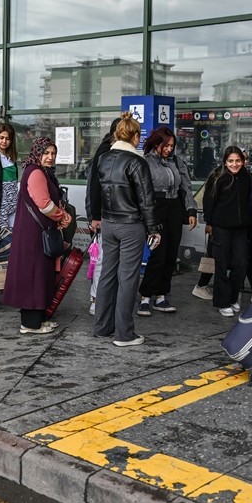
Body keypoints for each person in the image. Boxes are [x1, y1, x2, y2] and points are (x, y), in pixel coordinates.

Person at [91, 113, 160, 346]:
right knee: (128, 278)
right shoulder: (136, 162)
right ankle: (124, 333)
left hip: (108, 223)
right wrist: (154, 229)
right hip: (131, 225)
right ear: (135, 136)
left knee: (107, 275)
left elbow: (98, 191)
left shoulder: (104, 159)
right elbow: (146, 199)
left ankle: (102, 327)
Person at [3, 137, 73, 334]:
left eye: (53, 153)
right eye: (46, 153)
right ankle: (30, 324)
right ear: (37, 153)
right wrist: (62, 216)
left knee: (40, 274)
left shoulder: (40, 171)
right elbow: (44, 203)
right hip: (34, 235)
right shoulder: (35, 172)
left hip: (36, 232)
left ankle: (39, 320)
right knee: (33, 275)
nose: (50, 157)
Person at [137, 127, 196, 315]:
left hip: (175, 209)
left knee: (171, 255)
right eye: (166, 145)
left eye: (172, 145)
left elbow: (186, 187)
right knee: (158, 254)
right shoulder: (146, 162)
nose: (169, 149)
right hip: (156, 209)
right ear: (156, 143)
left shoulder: (177, 162)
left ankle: (161, 296)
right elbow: (141, 191)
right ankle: (146, 296)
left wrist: (191, 210)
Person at [202, 146, 252, 317]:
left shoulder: (247, 177)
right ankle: (222, 301)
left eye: (238, 161)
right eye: (231, 161)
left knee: (241, 264)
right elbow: (208, 201)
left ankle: (233, 298)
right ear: (225, 162)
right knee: (222, 264)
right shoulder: (218, 177)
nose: (235, 164)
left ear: (243, 161)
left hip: (241, 227)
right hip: (221, 227)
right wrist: (209, 222)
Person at [86, 118, 122, 315]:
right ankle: (96, 299)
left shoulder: (120, 153)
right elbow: (94, 186)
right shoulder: (105, 152)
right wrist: (95, 215)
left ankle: (105, 298)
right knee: (101, 259)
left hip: (118, 215)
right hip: (105, 214)